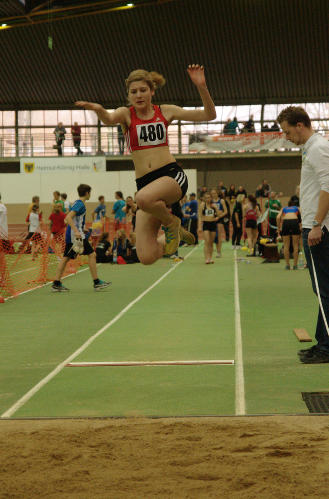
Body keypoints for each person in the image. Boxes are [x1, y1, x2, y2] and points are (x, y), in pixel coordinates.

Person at [76, 64, 216, 265]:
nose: (138, 95)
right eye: (133, 92)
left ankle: (171, 223)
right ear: (128, 95)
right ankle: (171, 234)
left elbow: (209, 115)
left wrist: (201, 86)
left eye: (143, 90)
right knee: (146, 256)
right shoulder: (126, 114)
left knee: (142, 198)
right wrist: (98, 109)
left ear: (152, 91)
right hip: (146, 185)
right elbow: (108, 119)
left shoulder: (165, 111)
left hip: (171, 177)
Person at [277, 105, 329, 363]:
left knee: (325, 290)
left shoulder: (318, 148)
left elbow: (328, 187)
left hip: (319, 228)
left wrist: (317, 223)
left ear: (300, 125)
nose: (286, 136)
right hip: (312, 224)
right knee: (323, 290)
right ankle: (323, 343)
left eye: (287, 131)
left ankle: (327, 348)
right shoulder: (311, 149)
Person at [51, 184, 110, 292]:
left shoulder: (78, 203)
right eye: (90, 192)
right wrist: (77, 231)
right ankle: (96, 282)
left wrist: (82, 228)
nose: (90, 194)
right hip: (76, 238)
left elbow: (71, 220)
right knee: (92, 255)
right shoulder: (80, 204)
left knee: (66, 258)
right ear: (87, 193)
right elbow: (68, 218)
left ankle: (56, 283)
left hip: (74, 236)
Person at [277, 200, 301, 270]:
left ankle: (287, 265)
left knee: (286, 245)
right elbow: (301, 217)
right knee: (295, 245)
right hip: (294, 222)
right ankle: (295, 265)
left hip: (286, 223)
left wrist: (279, 228)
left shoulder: (284, 208)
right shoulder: (297, 208)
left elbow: (278, 217)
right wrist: (300, 226)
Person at [199, 192, 223, 264]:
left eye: (209, 197)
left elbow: (219, 215)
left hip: (213, 224)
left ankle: (210, 257)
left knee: (211, 242)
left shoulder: (214, 205)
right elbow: (200, 216)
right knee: (207, 241)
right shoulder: (202, 205)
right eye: (206, 198)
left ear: (211, 198)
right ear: (204, 198)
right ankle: (206, 258)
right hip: (206, 224)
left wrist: (216, 209)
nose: (208, 199)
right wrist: (199, 227)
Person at [210, 189, 227, 257]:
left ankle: (219, 252)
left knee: (218, 237)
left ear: (217, 193)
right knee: (212, 236)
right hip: (211, 220)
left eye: (215, 193)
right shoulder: (210, 201)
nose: (213, 195)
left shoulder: (221, 201)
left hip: (219, 220)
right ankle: (212, 250)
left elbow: (225, 211)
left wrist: (219, 216)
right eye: (212, 193)